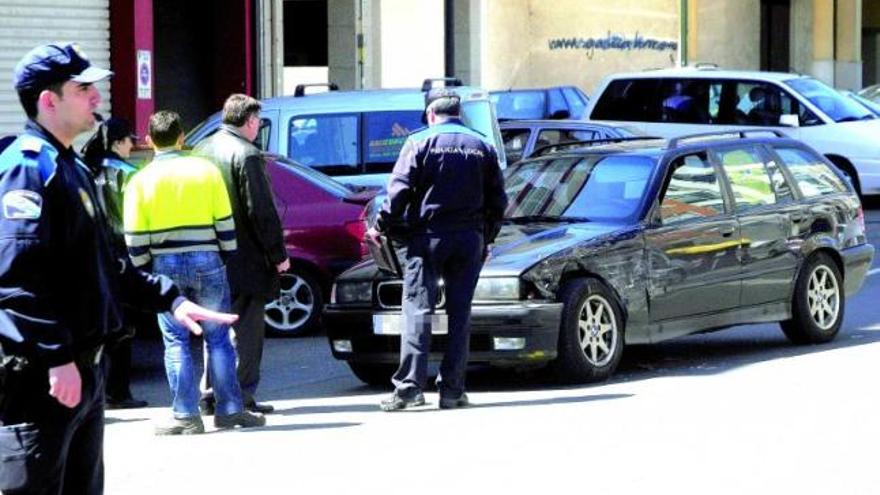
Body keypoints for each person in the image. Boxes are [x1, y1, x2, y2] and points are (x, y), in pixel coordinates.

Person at [0, 42, 238, 495]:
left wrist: (172, 299)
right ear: (48, 101)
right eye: (83, 88)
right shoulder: (27, 168)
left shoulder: (73, 167)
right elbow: (15, 279)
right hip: (44, 380)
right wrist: (55, 357)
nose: (96, 97)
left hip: (85, 373)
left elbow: (107, 268)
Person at [365, 89, 508, 411]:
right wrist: (488, 238)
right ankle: (453, 390)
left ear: (431, 114)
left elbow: (399, 191)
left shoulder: (419, 142)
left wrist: (380, 227)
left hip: (429, 237)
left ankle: (410, 389)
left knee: (417, 312)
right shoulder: (481, 144)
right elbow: (499, 201)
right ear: (459, 114)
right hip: (470, 238)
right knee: (460, 314)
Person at [124, 110, 266, 435]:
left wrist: (145, 271)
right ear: (182, 137)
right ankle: (230, 409)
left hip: (164, 265)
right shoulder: (205, 171)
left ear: (148, 140)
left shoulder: (139, 180)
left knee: (175, 341)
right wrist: (225, 255)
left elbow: (133, 237)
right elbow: (225, 221)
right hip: (208, 258)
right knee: (219, 339)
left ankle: (186, 415)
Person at [193, 94, 288, 415]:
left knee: (215, 328)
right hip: (245, 256)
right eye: (258, 122)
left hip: (208, 254)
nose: (259, 127)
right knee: (247, 329)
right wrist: (278, 254)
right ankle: (242, 395)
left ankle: (210, 395)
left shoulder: (201, 149)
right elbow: (261, 210)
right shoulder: (247, 154)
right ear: (249, 121)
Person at [81, 116, 147, 409]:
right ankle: (118, 393)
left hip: (89, 258)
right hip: (120, 255)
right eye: (130, 140)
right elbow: (131, 218)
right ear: (118, 142)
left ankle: (97, 392)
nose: (132, 146)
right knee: (123, 328)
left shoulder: (85, 166)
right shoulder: (126, 173)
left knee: (97, 329)